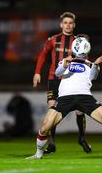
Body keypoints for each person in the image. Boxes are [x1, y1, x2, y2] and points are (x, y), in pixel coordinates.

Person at [27, 37, 102, 160]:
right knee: (45, 127)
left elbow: (93, 77)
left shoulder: (91, 64)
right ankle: (38, 155)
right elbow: (57, 73)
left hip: (85, 97)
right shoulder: (66, 61)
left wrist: (95, 65)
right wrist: (64, 65)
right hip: (65, 98)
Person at [33, 12, 91, 154]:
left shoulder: (78, 41)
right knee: (52, 108)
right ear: (61, 25)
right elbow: (43, 55)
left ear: (74, 25)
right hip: (55, 79)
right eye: (65, 22)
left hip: (72, 79)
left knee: (79, 109)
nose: (68, 25)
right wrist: (37, 72)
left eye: (70, 23)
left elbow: (86, 59)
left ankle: (82, 137)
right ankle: (51, 144)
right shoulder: (53, 40)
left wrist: (87, 76)